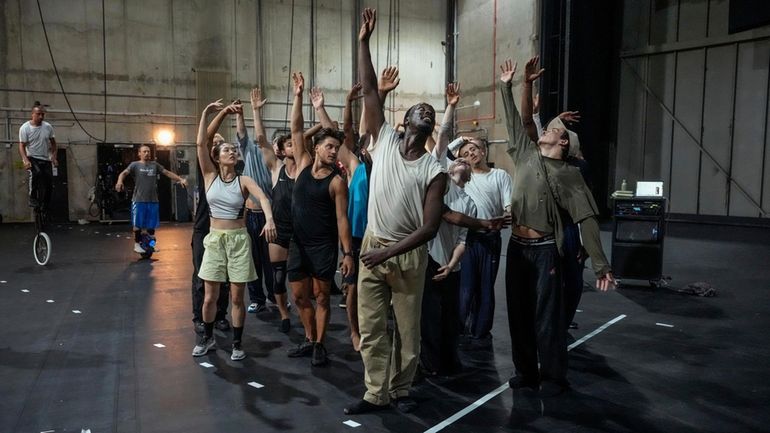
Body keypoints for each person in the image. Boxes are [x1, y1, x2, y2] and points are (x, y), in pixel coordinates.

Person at [344, 8, 448, 415]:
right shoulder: (383, 138)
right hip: (375, 244)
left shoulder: (434, 169)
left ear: (429, 127)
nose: (426, 111)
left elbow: (429, 229)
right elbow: (370, 90)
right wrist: (363, 42)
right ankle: (376, 393)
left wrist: (387, 253)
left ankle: (402, 389)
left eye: (431, 112)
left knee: (407, 331)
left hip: (404, 253)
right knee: (371, 329)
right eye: (419, 109)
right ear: (404, 121)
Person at [499, 56, 615, 392]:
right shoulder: (524, 152)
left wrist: (601, 263)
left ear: (564, 142)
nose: (547, 128)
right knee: (518, 314)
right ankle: (526, 372)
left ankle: (552, 376)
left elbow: (587, 219)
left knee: (547, 317)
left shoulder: (569, 175)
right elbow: (514, 120)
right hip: (517, 248)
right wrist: (511, 86)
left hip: (546, 251)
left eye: (554, 129)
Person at [192, 99, 277, 361]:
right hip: (215, 239)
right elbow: (200, 144)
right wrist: (208, 111)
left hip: (239, 240)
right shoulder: (209, 175)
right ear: (216, 157)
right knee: (209, 298)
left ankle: (237, 344)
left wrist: (270, 218)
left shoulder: (244, 179)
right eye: (226, 150)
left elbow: (262, 197)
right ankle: (206, 338)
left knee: (237, 298)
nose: (231, 152)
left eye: (233, 149)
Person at [284, 74, 355, 367]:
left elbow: (342, 220)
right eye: (328, 147)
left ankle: (320, 345)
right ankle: (310, 337)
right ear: (316, 149)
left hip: (323, 246)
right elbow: (297, 128)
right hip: (298, 243)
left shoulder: (337, 182)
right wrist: (298, 95)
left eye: (335, 148)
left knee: (322, 297)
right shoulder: (301, 163)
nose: (333, 151)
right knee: (300, 297)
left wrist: (348, 253)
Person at [420, 83, 477, 376]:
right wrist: (451, 105)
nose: (465, 159)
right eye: (462, 156)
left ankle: (448, 359)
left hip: (450, 267)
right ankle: (430, 363)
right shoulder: (440, 181)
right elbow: (441, 138)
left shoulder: (470, 203)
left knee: (450, 318)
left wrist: (453, 264)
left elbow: (464, 239)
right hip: (430, 260)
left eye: (470, 157)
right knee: (429, 316)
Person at [451, 128, 512, 349]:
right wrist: (462, 140)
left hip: (490, 239)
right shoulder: (463, 176)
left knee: (486, 287)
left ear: (483, 151)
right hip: (468, 238)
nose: (470, 154)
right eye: (465, 153)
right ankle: (459, 328)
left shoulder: (500, 176)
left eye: (473, 149)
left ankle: (481, 331)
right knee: (466, 288)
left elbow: (508, 203)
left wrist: (508, 212)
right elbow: (446, 153)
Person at [236, 89, 278, 317]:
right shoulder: (248, 152)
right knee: (252, 260)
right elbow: (242, 133)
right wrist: (241, 113)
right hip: (251, 215)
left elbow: (261, 137)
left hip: (268, 216)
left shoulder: (271, 157)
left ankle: (274, 295)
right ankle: (257, 298)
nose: (259, 140)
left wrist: (255, 112)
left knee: (270, 260)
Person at [191, 137, 231, 335]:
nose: (216, 144)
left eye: (220, 142)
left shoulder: (233, 175)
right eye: (214, 143)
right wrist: (222, 112)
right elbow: (204, 141)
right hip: (203, 229)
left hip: (224, 232)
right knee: (201, 275)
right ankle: (199, 317)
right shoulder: (206, 170)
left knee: (223, 277)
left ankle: (220, 316)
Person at [115, 144, 187, 254]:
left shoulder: (154, 165)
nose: (147, 153)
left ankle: (151, 246)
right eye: (144, 151)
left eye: (148, 151)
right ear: (139, 153)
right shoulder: (135, 165)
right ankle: (137, 245)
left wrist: (180, 179)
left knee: (151, 227)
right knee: (137, 225)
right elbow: (123, 173)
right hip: (139, 200)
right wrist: (120, 181)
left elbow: (167, 172)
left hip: (153, 200)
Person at [19, 102, 57, 214]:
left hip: (45, 158)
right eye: (38, 114)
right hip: (32, 157)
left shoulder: (48, 127)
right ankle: (32, 198)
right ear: (32, 114)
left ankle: (46, 205)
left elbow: (54, 144)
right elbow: (21, 146)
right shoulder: (25, 128)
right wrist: (25, 160)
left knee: (49, 184)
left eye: (42, 114)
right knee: (36, 174)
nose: (41, 117)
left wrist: (54, 157)